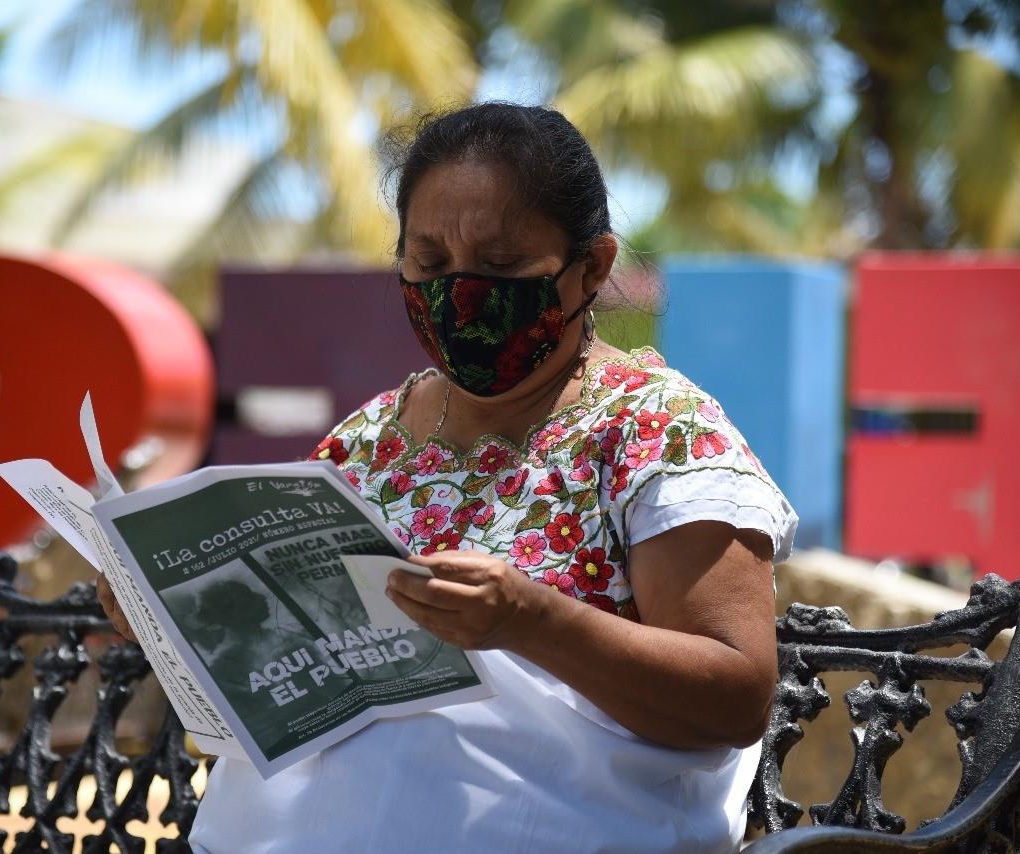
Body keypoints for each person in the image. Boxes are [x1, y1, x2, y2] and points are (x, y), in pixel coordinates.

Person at [98, 102, 798, 853]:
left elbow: (733, 695)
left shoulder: (658, 428)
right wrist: (177, 617)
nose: (460, 294)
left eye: (500, 267)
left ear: (591, 267)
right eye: (429, 264)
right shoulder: (364, 441)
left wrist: (536, 623)